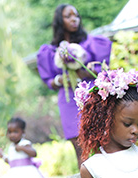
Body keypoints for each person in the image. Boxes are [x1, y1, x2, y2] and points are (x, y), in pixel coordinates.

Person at [37, 4, 112, 168]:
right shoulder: (49, 51)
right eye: (68, 16)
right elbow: (48, 80)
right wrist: (60, 80)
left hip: (91, 96)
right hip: (68, 99)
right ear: (59, 20)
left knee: (101, 142)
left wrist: (88, 70)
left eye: (76, 16)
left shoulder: (91, 43)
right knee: (80, 148)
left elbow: (103, 69)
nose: (74, 19)